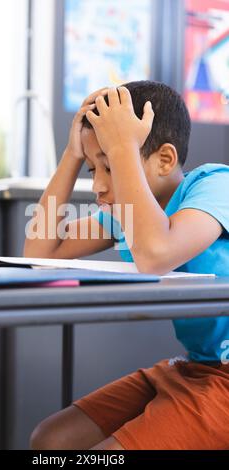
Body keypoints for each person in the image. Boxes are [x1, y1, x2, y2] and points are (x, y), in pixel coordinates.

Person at [24, 81, 229, 450]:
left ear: (165, 160)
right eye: (92, 170)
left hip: (225, 380)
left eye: (111, 167)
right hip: (191, 368)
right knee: (50, 440)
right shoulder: (126, 214)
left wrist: (122, 149)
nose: (98, 187)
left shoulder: (217, 185)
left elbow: (156, 254)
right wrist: (72, 156)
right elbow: (40, 250)